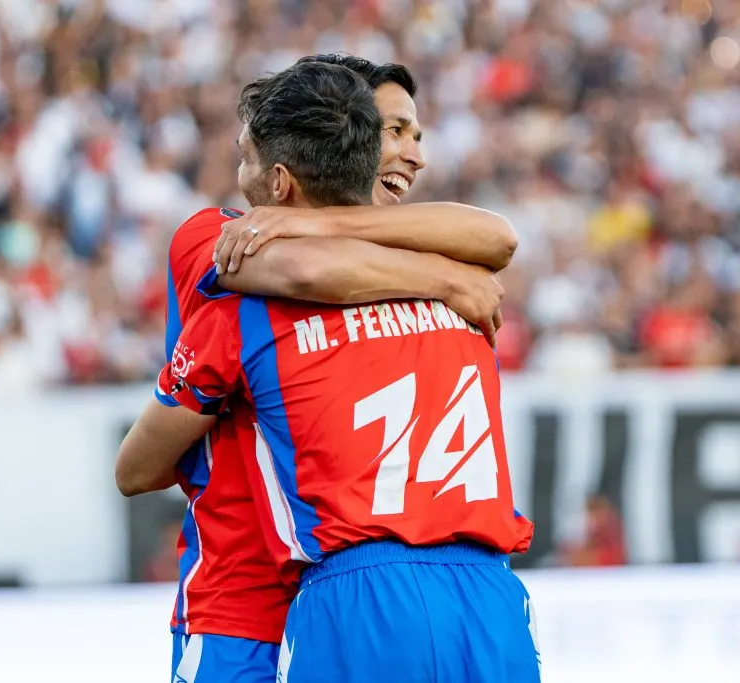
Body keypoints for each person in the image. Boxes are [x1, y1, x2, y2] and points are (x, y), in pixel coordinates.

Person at [124, 60, 538, 682]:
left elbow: (496, 235)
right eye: (393, 131)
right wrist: (448, 279)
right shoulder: (219, 237)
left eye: (414, 135)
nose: (409, 154)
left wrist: (321, 223)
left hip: (341, 587)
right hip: (246, 602)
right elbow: (301, 271)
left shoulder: (273, 300)